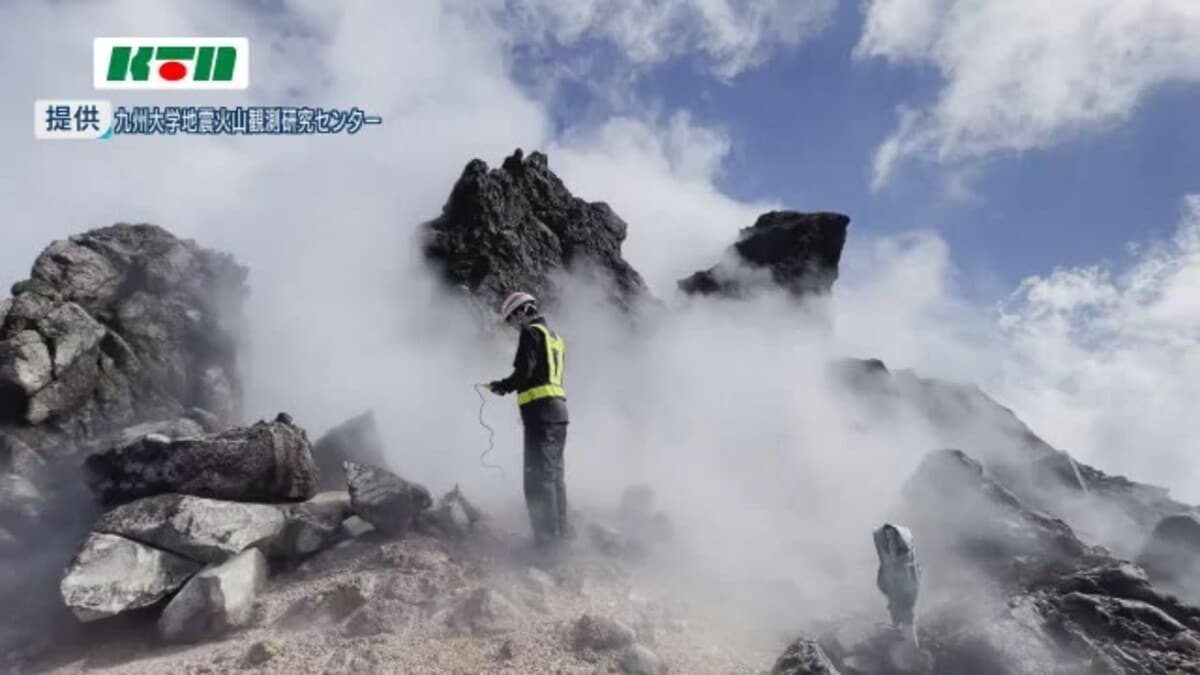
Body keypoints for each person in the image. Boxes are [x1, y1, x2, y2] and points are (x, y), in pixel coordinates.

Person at [486, 291, 571, 549]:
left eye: (513, 319)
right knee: (554, 477)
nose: (514, 326)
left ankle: (547, 547)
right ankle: (561, 536)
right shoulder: (555, 337)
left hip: (541, 414)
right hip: (559, 413)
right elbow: (543, 375)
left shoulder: (531, 333)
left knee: (537, 480)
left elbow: (525, 372)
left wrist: (502, 386)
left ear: (522, 311)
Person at [873, 523, 920, 646]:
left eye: (892, 538)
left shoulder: (906, 559)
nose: (891, 543)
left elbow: (912, 578)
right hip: (894, 586)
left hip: (905, 590)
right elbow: (884, 571)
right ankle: (900, 637)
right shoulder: (889, 560)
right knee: (897, 611)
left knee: (907, 615)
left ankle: (911, 646)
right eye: (888, 539)